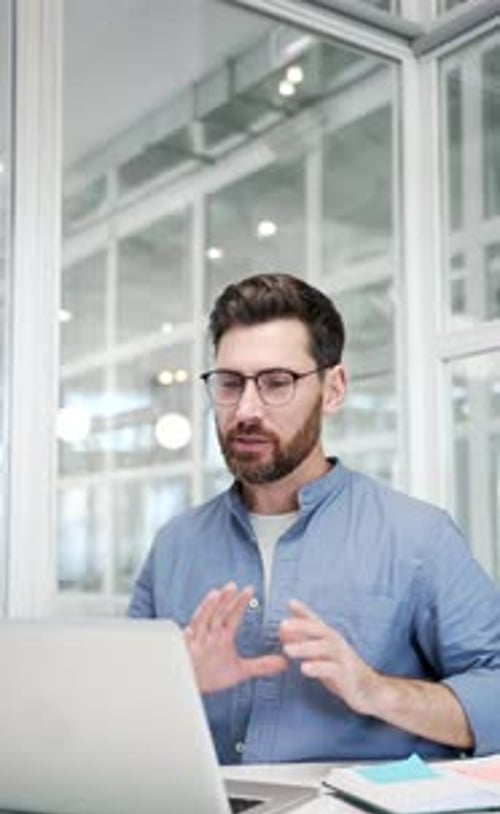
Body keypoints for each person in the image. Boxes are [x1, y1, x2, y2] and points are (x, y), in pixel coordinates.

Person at [130, 272, 500, 765]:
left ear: (334, 388)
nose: (246, 409)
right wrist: (176, 686)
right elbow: (119, 707)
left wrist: (376, 691)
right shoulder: (175, 545)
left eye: (277, 383)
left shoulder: (419, 537)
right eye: (229, 383)